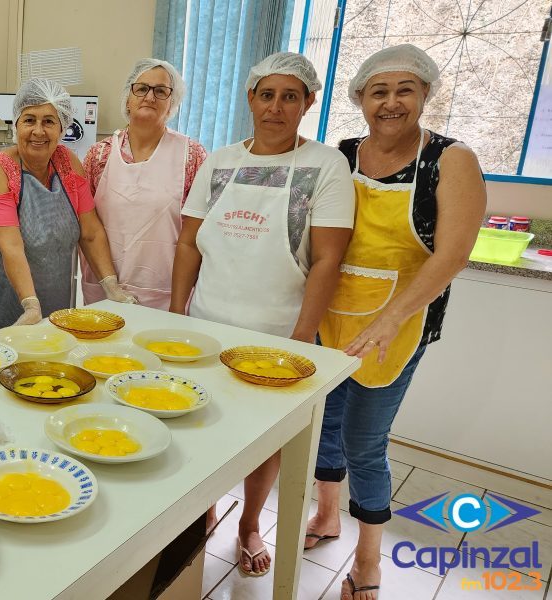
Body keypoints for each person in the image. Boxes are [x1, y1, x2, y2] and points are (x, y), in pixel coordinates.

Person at [305, 44, 486, 600]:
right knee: (327, 421)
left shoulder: (450, 160)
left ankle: (368, 559)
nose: (390, 103)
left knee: (364, 440)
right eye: (378, 92)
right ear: (360, 98)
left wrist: (390, 319)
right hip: (334, 313)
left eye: (404, 90)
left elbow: (452, 255)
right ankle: (328, 514)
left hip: (400, 322)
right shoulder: (343, 153)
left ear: (425, 94)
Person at [170, 52, 355, 577]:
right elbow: (188, 243)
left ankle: (250, 522)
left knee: (265, 441)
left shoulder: (325, 165)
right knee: (197, 424)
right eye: (266, 94)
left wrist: (299, 342)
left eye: (290, 96)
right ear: (250, 98)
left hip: (277, 332)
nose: (276, 106)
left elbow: (327, 259)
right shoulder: (221, 160)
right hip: (205, 325)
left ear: (308, 103)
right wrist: (178, 312)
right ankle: (201, 505)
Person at [0, 78, 137, 337]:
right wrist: (31, 305)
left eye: (48, 121)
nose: (38, 131)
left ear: (62, 127)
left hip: (56, 296)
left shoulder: (68, 162)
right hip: (2, 295)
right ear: (16, 124)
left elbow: (90, 232)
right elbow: (10, 245)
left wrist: (110, 285)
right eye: (29, 120)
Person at [80, 59, 207, 310]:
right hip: (104, 288)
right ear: (128, 98)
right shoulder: (98, 156)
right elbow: (86, 226)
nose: (150, 96)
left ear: (173, 103)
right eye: (142, 88)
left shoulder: (192, 156)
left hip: (167, 292)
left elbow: (199, 234)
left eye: (161, 91)